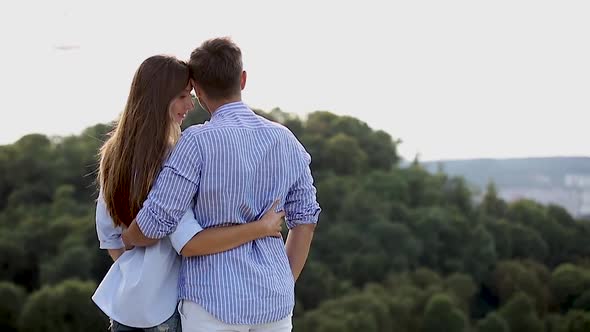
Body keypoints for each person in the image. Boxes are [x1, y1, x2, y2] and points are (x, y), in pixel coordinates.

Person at [123, 37, 321, 332]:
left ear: (198, 91)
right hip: (274, 306)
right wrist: (283, 280)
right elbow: (305, 219)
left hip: (211, 305)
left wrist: (128, 237)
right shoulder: (285, 139)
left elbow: (156, 223)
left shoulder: (196, 142)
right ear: (242, 79)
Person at [92, 54, 285, 332]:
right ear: (160, 99)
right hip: (168, 310)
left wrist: (140, 275)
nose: (190, 104)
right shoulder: (177, 156)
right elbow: (189, 240)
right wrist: (261, 227)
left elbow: (110, 235)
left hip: (126, 306)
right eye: (183, 96)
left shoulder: (113, 154)